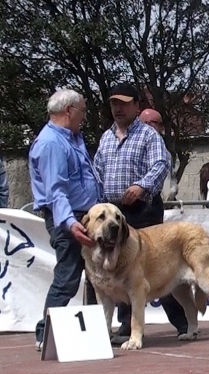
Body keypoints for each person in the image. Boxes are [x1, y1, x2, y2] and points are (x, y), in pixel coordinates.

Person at [94, 83, 188, 344]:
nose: (118, 108)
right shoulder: (105, 137)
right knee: (120, 273)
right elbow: (97, 170)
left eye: (124, 103)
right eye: (114, 103)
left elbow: (161, 164)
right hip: (114, 213)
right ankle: (126, 327)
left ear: (137, 106)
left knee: (154, 271)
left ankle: (183, 322)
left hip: (142, 211)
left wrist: (141, 185)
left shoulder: (148, 135)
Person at [28, 89, 102, 350]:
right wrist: (71, 224)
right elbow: (55, 191)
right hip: (68, 217)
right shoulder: (51, 143)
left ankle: (94, 331)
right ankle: (44, 334)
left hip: (87, 215)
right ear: (69, 111)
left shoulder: (73, 138)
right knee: (68, 276)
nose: (83, 117)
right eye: (82, 111)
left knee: (98, 277)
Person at [139, 108, 179, 201]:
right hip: (142, 205)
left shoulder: (166, 152)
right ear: (146, 123)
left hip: (162, 206)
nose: (162, 128)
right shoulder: (134, 148)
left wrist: (173, 190)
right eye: (159, 124)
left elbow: (171, 177)